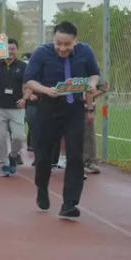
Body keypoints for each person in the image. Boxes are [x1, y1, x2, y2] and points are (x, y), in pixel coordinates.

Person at [24, 21, 100, 219]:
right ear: (54, 39)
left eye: (67, 44)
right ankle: (42, 188)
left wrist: (91, 85)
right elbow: (29, 80)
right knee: (43, 157)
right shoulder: (41, 53)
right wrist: (45, 90)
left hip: (74, 110)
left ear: (76, 41)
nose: (63, 48)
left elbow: (94, 74)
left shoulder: (85, 52)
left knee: (75, 156)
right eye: (59, 43)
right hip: (48, 109)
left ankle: (69, 203)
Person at [0, 38, 27, 176]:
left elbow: (27, 85)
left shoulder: (23, 66)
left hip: (17, 107)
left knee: (19, 136)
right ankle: (4, 163)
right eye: (8, 49)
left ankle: (13, 154)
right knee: (0, 138)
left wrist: (24, 99)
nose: (10, 51)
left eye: (13, 49)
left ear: (16, 50)